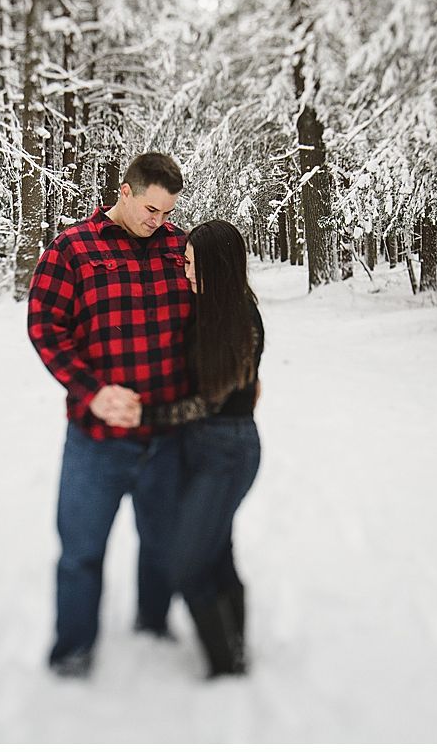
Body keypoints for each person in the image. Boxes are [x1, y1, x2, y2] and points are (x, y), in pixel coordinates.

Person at [27, 151, 192, 677]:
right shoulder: (73, 249)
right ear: (124, 192)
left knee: (163, 544)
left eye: (166, 212)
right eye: (149, 209)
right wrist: (91, 390)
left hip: (165, 435)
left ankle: (153, 622)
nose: (158, 221)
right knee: (80, 550)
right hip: (96, 438)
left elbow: (217, 316)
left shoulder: (178, 248)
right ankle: (73, 650)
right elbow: (45, 325)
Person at [138, 219, 264, 679]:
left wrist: (145, 416)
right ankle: (235, 651)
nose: (185, 273)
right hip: (202, 448)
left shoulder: (240, 317)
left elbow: (208, 401)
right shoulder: (208, 306)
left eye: (192, 264)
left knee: (186, 564)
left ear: (216, 264)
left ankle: (226, 667)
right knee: (216, 551)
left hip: (228, 451)